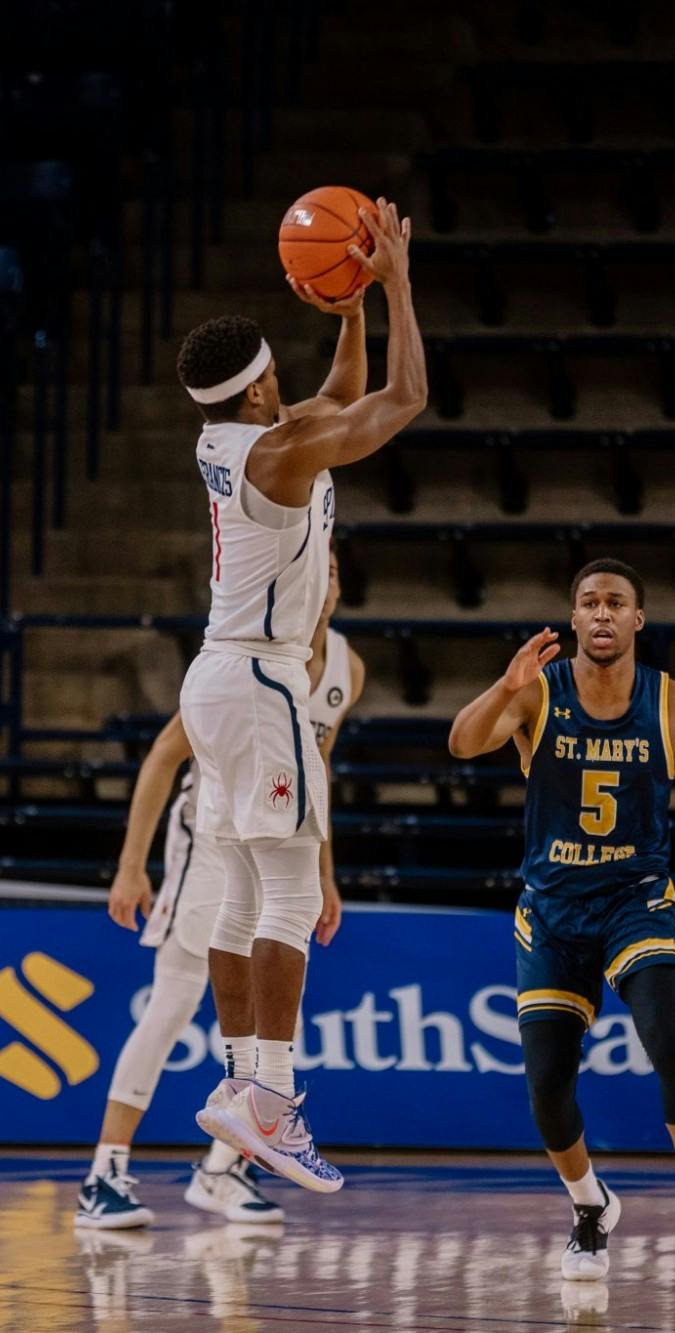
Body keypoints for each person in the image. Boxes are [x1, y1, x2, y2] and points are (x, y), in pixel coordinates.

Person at [447, 558, 675, 1287]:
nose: (602, 614)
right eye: (589, 603)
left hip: (637, 900)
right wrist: (503, 688)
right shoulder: (538, 693)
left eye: (616, 603)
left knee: (669, 1038)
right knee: (546, 1085)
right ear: (573, 619)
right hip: (552, 909)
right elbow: (462, 743)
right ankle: (589, 1205)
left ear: (639, 620)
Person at [174, 197, 425, 1193]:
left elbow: (338, 390)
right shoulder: (278, 453)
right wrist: (398, 283)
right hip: (263, 676)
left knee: (239, 890)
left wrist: (348, 306)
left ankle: (241, 1083)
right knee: (283, 886)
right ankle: (268, 1100)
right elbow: (398, 401)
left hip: (215, 675)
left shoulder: (242, 435)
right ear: (253, 389)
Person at [76, 556, 364, 1228]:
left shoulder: (346, 669)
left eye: (333, 572)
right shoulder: (245, 651)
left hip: (285, 825)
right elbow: (162, 754)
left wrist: (325, 871)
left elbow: (316, 763)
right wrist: (130, 864)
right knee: (174, 998)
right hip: (210, 833)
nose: (320, 583)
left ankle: (221, 1171)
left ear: (340, 589)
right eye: (311, 568)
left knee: (278, 1009)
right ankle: (104, 1173)